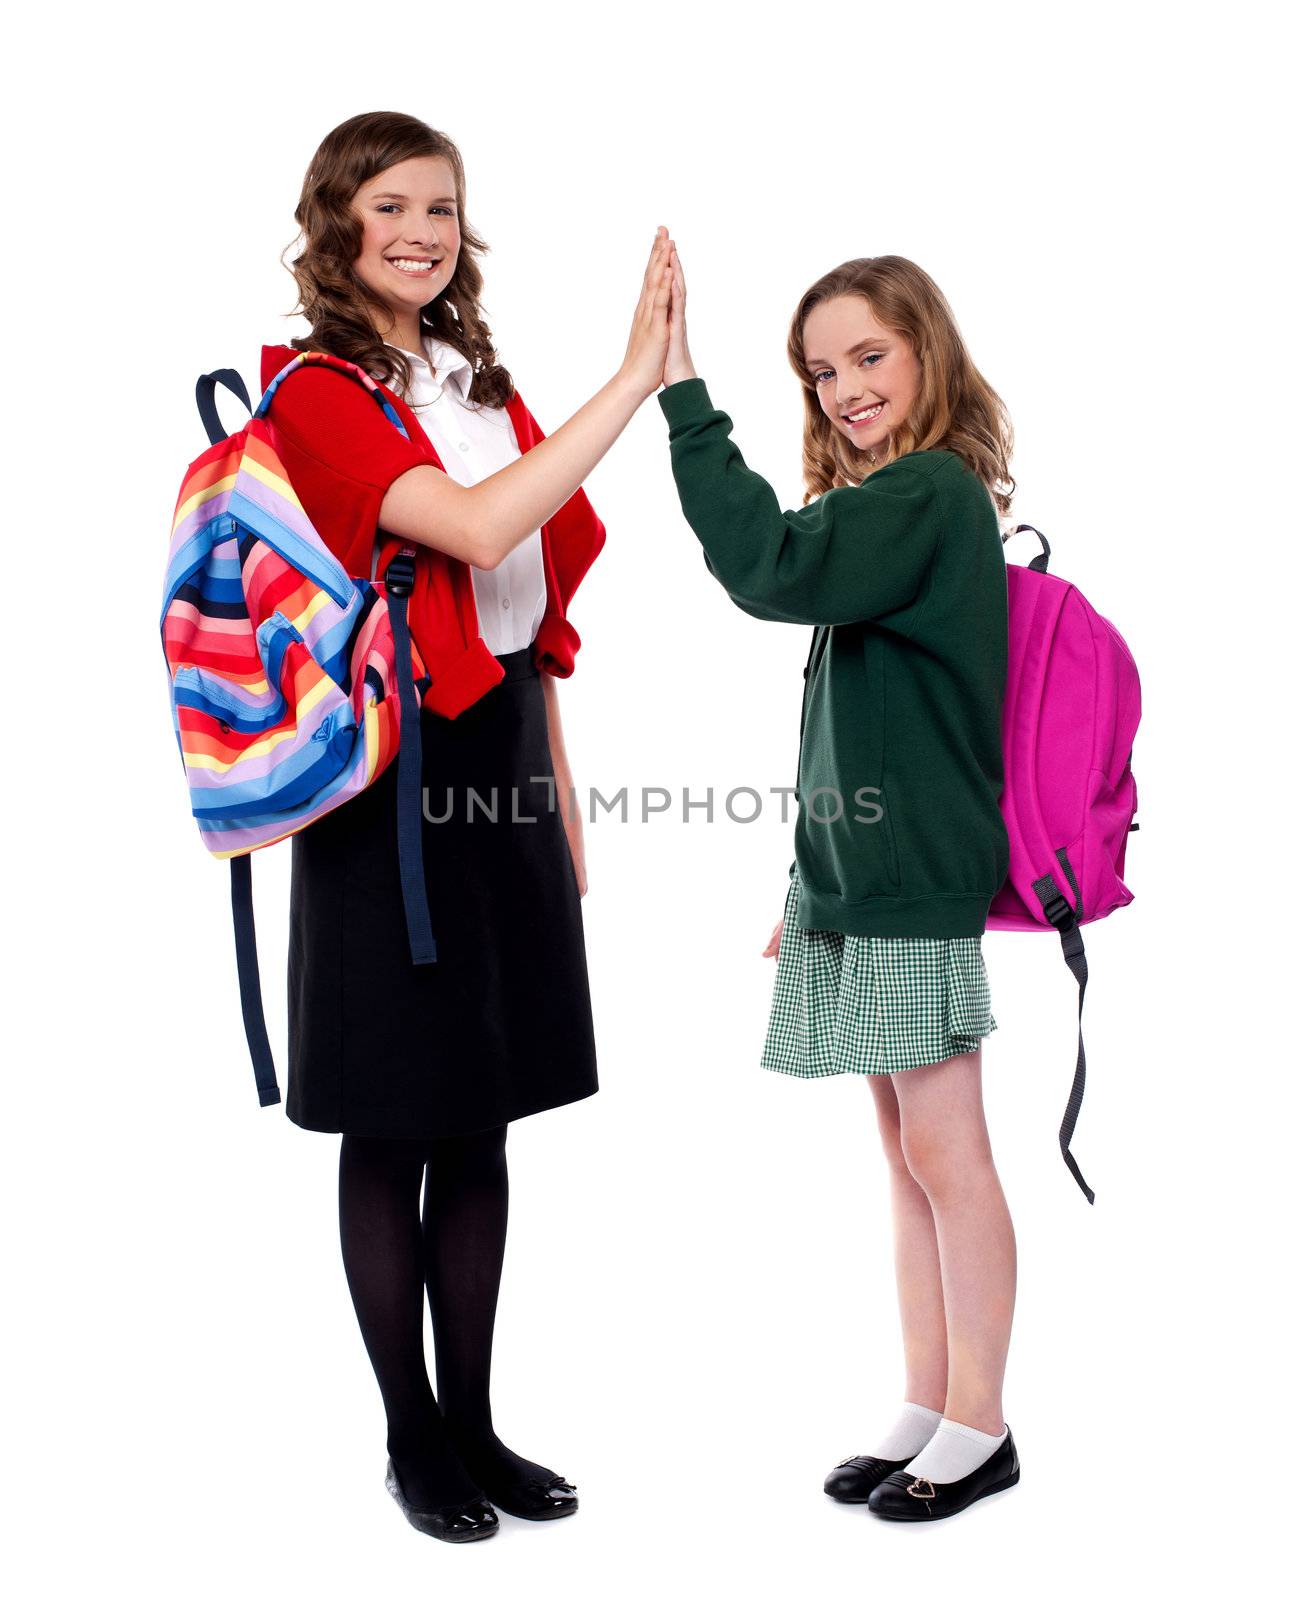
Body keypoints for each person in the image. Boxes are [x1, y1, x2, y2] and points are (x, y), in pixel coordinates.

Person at [260, 110, 676, 1543]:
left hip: (494, 749)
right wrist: (636, 380)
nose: (423, 230)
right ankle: (410, 1439)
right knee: (392, 1113)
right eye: (391, 206)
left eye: (441, 205)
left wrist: (554, 788)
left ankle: (479, 1425)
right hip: (387, 783)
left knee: (485, 1110)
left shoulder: (472, 377)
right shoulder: (315, 392)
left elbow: (526, 610)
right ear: (338, 225)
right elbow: (485, 529)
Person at [657, 251, 1020, 1522]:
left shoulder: (926, 492)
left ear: (926, 350)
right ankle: (928, 1402)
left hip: (913, 883)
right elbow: (857, 735)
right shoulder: (894, 508)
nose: (842, 387)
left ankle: (981, 1424)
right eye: (820, 369)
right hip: (861, 885)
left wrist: (684, 396)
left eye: (869, 355)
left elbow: (765, 563)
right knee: (904, 1150)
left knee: (946, 1150)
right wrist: (811, 882)